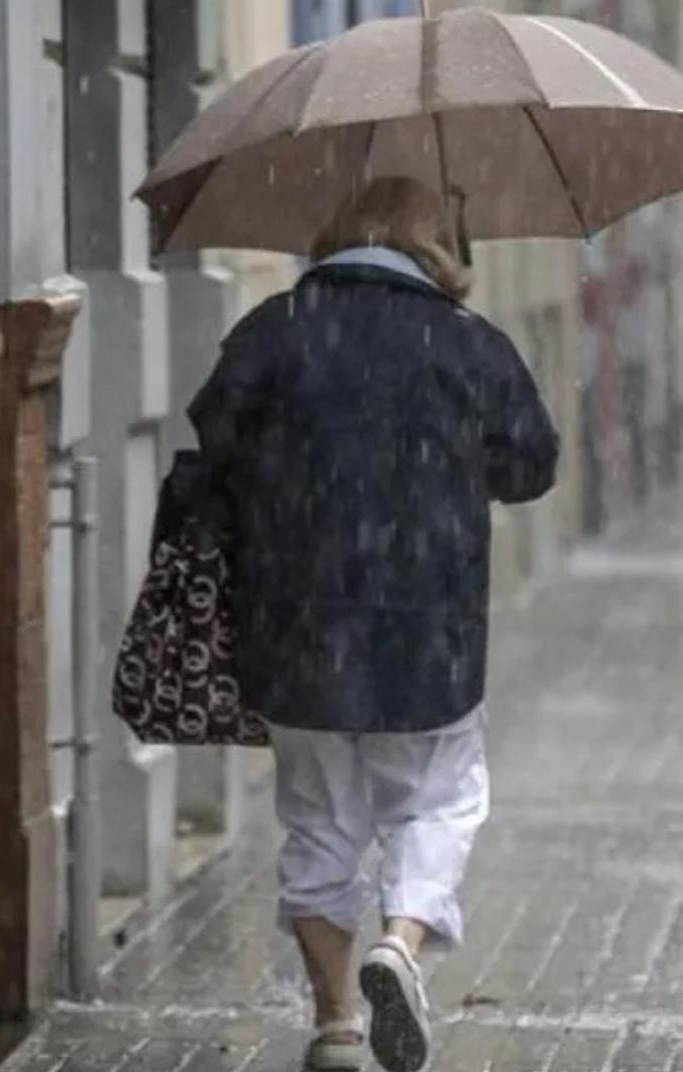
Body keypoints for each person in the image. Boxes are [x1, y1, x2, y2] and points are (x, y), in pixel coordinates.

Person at [189, 177, 559, 1072]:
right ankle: (401, 940)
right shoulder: (467, 344)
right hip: (425, 633)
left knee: (318, 823)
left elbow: (216, 444)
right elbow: (531, 465)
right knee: (439, 800)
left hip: (296, 629)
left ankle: (336, 1026)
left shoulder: (272, 331)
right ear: (435, 244)